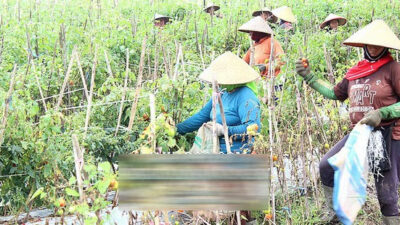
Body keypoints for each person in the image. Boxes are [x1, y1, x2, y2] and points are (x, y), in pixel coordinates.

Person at [295, 20, 400, 225]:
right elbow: (335, 93)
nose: (373, 46)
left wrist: (383, 112)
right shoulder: (355, 72)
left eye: (378, 43)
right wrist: (310, 77)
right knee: (327, 166)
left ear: (386, 45)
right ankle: (335, 216)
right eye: (369, 43)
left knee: (386, 195)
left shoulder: (394, 69)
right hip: (359, 134)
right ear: (363, 45)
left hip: (385, 135)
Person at [176, 52, 261, 154]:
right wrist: (176, 129)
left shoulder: (246, 97)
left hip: (235, 152)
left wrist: (225, 130)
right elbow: (202, 115)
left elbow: (254, 128)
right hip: (214, 148)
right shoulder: (222, 92)